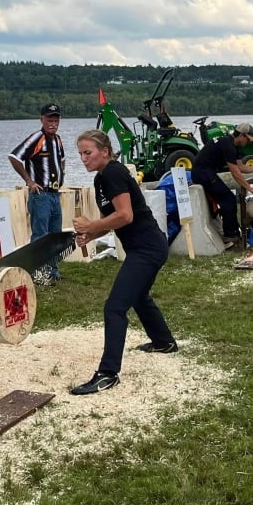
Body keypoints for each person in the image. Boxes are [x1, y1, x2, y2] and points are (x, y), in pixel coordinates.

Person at [70, 129, 177, 395]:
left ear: (105, 151)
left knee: (114, 308)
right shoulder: (101, 179)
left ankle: (108, 374)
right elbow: (114, 220)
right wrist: (91, 234)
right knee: (139, 297)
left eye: (88, 152)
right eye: (80, 154)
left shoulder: (113, 173)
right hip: (145, 246)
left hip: (148, 248)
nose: (83, 158)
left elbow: (126, 215)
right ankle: (164, 343)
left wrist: (92, 224)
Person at [8, 103, 66, 285]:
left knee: (55, 234)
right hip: (41, 195)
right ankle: (39, 273)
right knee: (40, 236)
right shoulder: (36, 138)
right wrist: (29, 181)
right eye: (49, 119)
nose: (53, 123)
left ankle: (53, 271)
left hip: (55, 194)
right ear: (42, 119)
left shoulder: (57, 140)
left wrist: (61, 177)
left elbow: (62, 160)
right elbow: (14, 157)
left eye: (56, 120)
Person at [191, 123, 253, 243]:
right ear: (242, 135)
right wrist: (250, 188)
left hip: (207, 172)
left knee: (227, 198)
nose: (248, 142)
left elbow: (241, 167)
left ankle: (232, 232)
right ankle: (230, 235)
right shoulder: (227, 145)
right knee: (228, 199)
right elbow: (235, 173)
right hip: (202, 173)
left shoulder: (232, 144)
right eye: (248, 139)